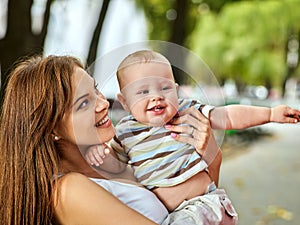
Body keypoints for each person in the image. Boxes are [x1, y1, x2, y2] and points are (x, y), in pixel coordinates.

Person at [85, 50, 300, 224]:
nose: (156, 96)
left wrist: (270, 114)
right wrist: (98, 150)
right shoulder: (125, 133)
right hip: (171, 217)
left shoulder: (188, 111)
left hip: (204, 204)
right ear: (124, 101)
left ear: (176, 90)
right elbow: (114, 169)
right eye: (143, 92)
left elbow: (229, 116)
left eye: (165, 87)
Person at [0, 54, 203, 225]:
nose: (103, 104)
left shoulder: (111, 157)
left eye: (95, 89)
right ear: (52, 129)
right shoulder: (68, 191)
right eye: (84, 103)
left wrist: (209, 154)